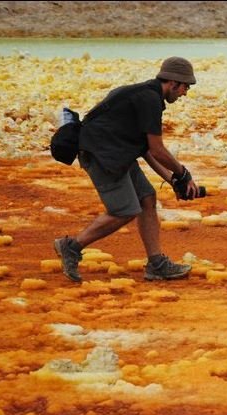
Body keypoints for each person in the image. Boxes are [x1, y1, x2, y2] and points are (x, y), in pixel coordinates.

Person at [53, 57, 200, 283]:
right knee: (124, 210)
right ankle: (71, 246)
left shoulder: (144, 95)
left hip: (117, 153)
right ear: (173, 82)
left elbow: (146, 150)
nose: (185, 93)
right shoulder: (149, 99)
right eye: (185, 87)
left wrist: (173, 180)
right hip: (101, 155)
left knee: (147, 199)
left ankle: (156, 265)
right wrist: (183, 174)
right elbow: (157, 148)